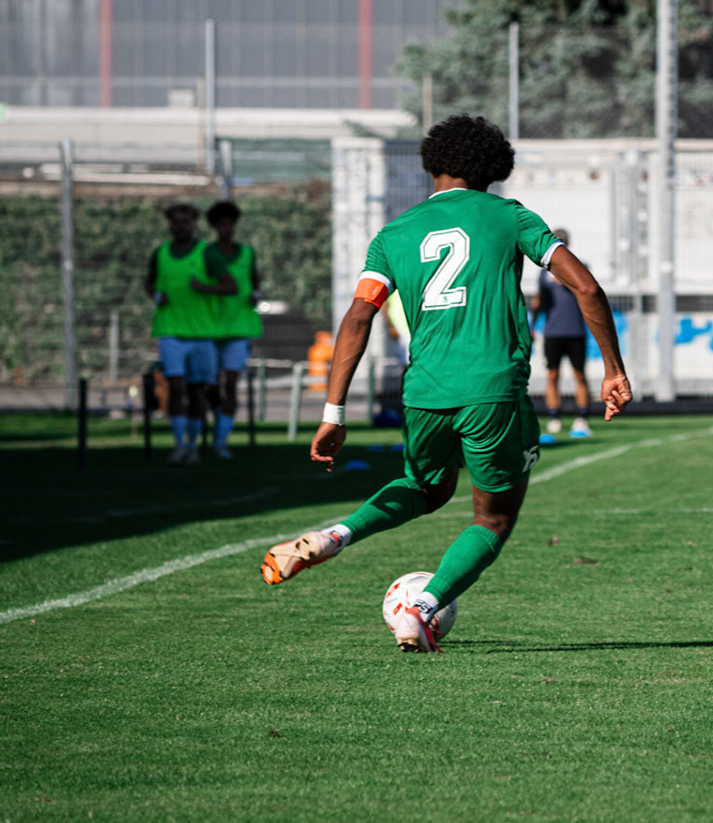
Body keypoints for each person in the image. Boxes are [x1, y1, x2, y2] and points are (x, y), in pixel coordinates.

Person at [259, 115, 632, 651]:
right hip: (492, 391)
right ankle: (422, 607)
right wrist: (614, 369)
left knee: (426, 487)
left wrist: (333, 413)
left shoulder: (394, 234)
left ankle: (331, 536)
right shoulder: (510, 217)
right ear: (492, 170)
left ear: (432, 163)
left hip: (424, 392)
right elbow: (586, 288)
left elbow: (358, 318)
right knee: (494, 517)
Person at [144, 202, 233, 466]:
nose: (180, 226)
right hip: (170, 331)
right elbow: (148, 281)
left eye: (185, 222)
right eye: (176, 222)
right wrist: (155, 295)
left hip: (202, 334)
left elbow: (230, 286)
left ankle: (193, 446)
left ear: (194, 225)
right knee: (176, 386)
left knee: (197, 391)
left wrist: (204, 288)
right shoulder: (160, 253)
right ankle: (179, 444)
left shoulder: (207, 253)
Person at [203, 200, 261, 458]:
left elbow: (254, 279)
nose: (227, 228)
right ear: (215, 227)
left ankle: (221, 440)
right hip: (211, 326)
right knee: (210, 385)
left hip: (239, 327)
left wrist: (256, 294)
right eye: (222, 224)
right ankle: (216, 422)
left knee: (231, 384)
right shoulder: (206, 253)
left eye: (230, 223)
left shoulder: (247, 253)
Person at [532, 229, 593, 442]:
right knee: (552, 375)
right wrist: (532, 326)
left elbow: (586, 291)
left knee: (579, 375)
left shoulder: (579, 267)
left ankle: (583, 417)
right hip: (553, 332)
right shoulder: (543, 273)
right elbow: (539, 300)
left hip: (575, 331)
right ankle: (554, 416)